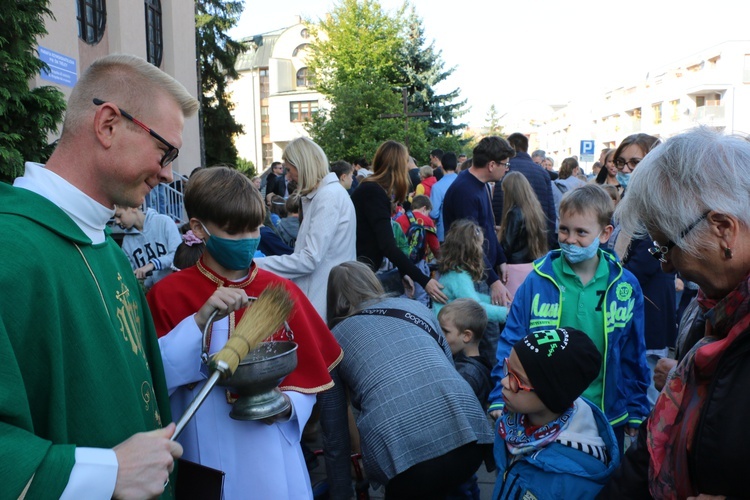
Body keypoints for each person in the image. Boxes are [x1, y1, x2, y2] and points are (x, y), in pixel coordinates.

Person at [0, 54, 197, 499]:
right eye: (164, 150)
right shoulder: (8, 250)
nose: (168, 172)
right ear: (108, 124)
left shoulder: (106, 250)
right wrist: (102, 472)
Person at [147, 166, 343, 499]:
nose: (248, 239)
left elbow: (309, 377)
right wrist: (199, 322)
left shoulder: (280, 291)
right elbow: (152, 378)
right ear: (199, 228)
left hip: (272, 449)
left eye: (254, 228)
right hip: (203, 447)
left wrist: (288, 405)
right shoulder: (169, 294)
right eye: (234, 231)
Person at [597, 127, 750, 498]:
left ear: (723, 231)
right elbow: (649, 453)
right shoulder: (710, 312)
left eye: (666, 248)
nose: (666, 267)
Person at [489, 184, 650, 456]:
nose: (570, 239)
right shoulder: (538, 280)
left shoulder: (625, 285)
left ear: (605, 233)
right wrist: (498, 393)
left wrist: (636, 408)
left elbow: (634, 352)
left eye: (581, 232)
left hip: (606, 414)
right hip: (544, 413)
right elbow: (512, 341)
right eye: (564, 229)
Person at [318, 262, 494, 499]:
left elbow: (335, 433)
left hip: (403, 460)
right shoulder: (415, 308)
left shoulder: (332, 341)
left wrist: (341, 493)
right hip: (469, 436)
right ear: (373, 283)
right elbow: (447, 368)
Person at [494, 328, 619, 498]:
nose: (504, 382)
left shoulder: (578, 477)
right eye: (508, 369)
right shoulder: (511, 422)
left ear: (552, 393)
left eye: (518, 380)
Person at [254, 137, 357, 321]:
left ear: (302, 165)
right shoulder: (325, 195)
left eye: (289, 169)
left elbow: (309, 259)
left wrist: (256, 265)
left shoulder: (328, 197)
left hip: (322, 300)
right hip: (323, 296)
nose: (289, 175)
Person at [609, 133, 676, 408]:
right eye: (622, 162)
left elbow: (650, 257)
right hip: (629, 306)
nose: (626, 169)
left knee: (648, 397)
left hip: (649, 313)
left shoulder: (659, 204)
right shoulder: (628, 200)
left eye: (635, 162)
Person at [351, 140, 447, 304]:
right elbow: (387, 245)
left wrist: (405, 272)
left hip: (363, 271)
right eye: (406, 163)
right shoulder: (373, 192)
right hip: (359, 275)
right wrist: (424, 281)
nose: (409, 168)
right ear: (398, 166)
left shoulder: (373, 189)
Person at [443, 136, 514, 308]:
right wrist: (493, 281)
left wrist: (500, 259)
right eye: (505, 164)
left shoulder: (480, 185)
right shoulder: (465, 191)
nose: (506, 169)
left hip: (481, 271)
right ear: (491, 165)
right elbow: (470, 245)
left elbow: (487, 227)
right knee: (486, 332)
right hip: (472, 275)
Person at [435, 219, 508, 364]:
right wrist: (505, 313)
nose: (481, 250)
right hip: (450, 331)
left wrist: (494, 302)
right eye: (479, 246)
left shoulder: (454, 271)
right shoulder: (459, 276)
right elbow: (474, 308)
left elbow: (469, 298)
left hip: (449, 328)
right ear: (471, 248)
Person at [493, 132, 556, 249]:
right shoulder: (542, 172)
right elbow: (550, 209)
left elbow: (497, 204)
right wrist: (549, 239)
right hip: (537, 236)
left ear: (510, 147)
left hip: (508, 237)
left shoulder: (503, 168)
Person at [498, 172, 549, 296]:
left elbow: (506, 246)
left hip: (514, 268)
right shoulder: (534, 210)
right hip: (531, 265)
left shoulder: (514, 212)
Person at [438, 298, 493, 406]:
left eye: (445, 331)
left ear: (466, 336)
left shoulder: (467, 373)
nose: (440, 335)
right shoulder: (480, 364)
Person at [114, 204, 182, 289]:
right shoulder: (126, 242)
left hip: (176, 288)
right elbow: (130, 275)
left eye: (119, 216)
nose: (117, 221)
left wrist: (152, 264)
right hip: (153, 296)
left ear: (133, 207)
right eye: (114, 217)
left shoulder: (164, 222)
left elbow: (178, 256)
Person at [429, 151, 458, 242]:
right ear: (456, 166)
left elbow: (433, 213)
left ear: (442, 165)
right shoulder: (463, 183)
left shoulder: (437, 187)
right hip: (462, 232)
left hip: (444, 232)